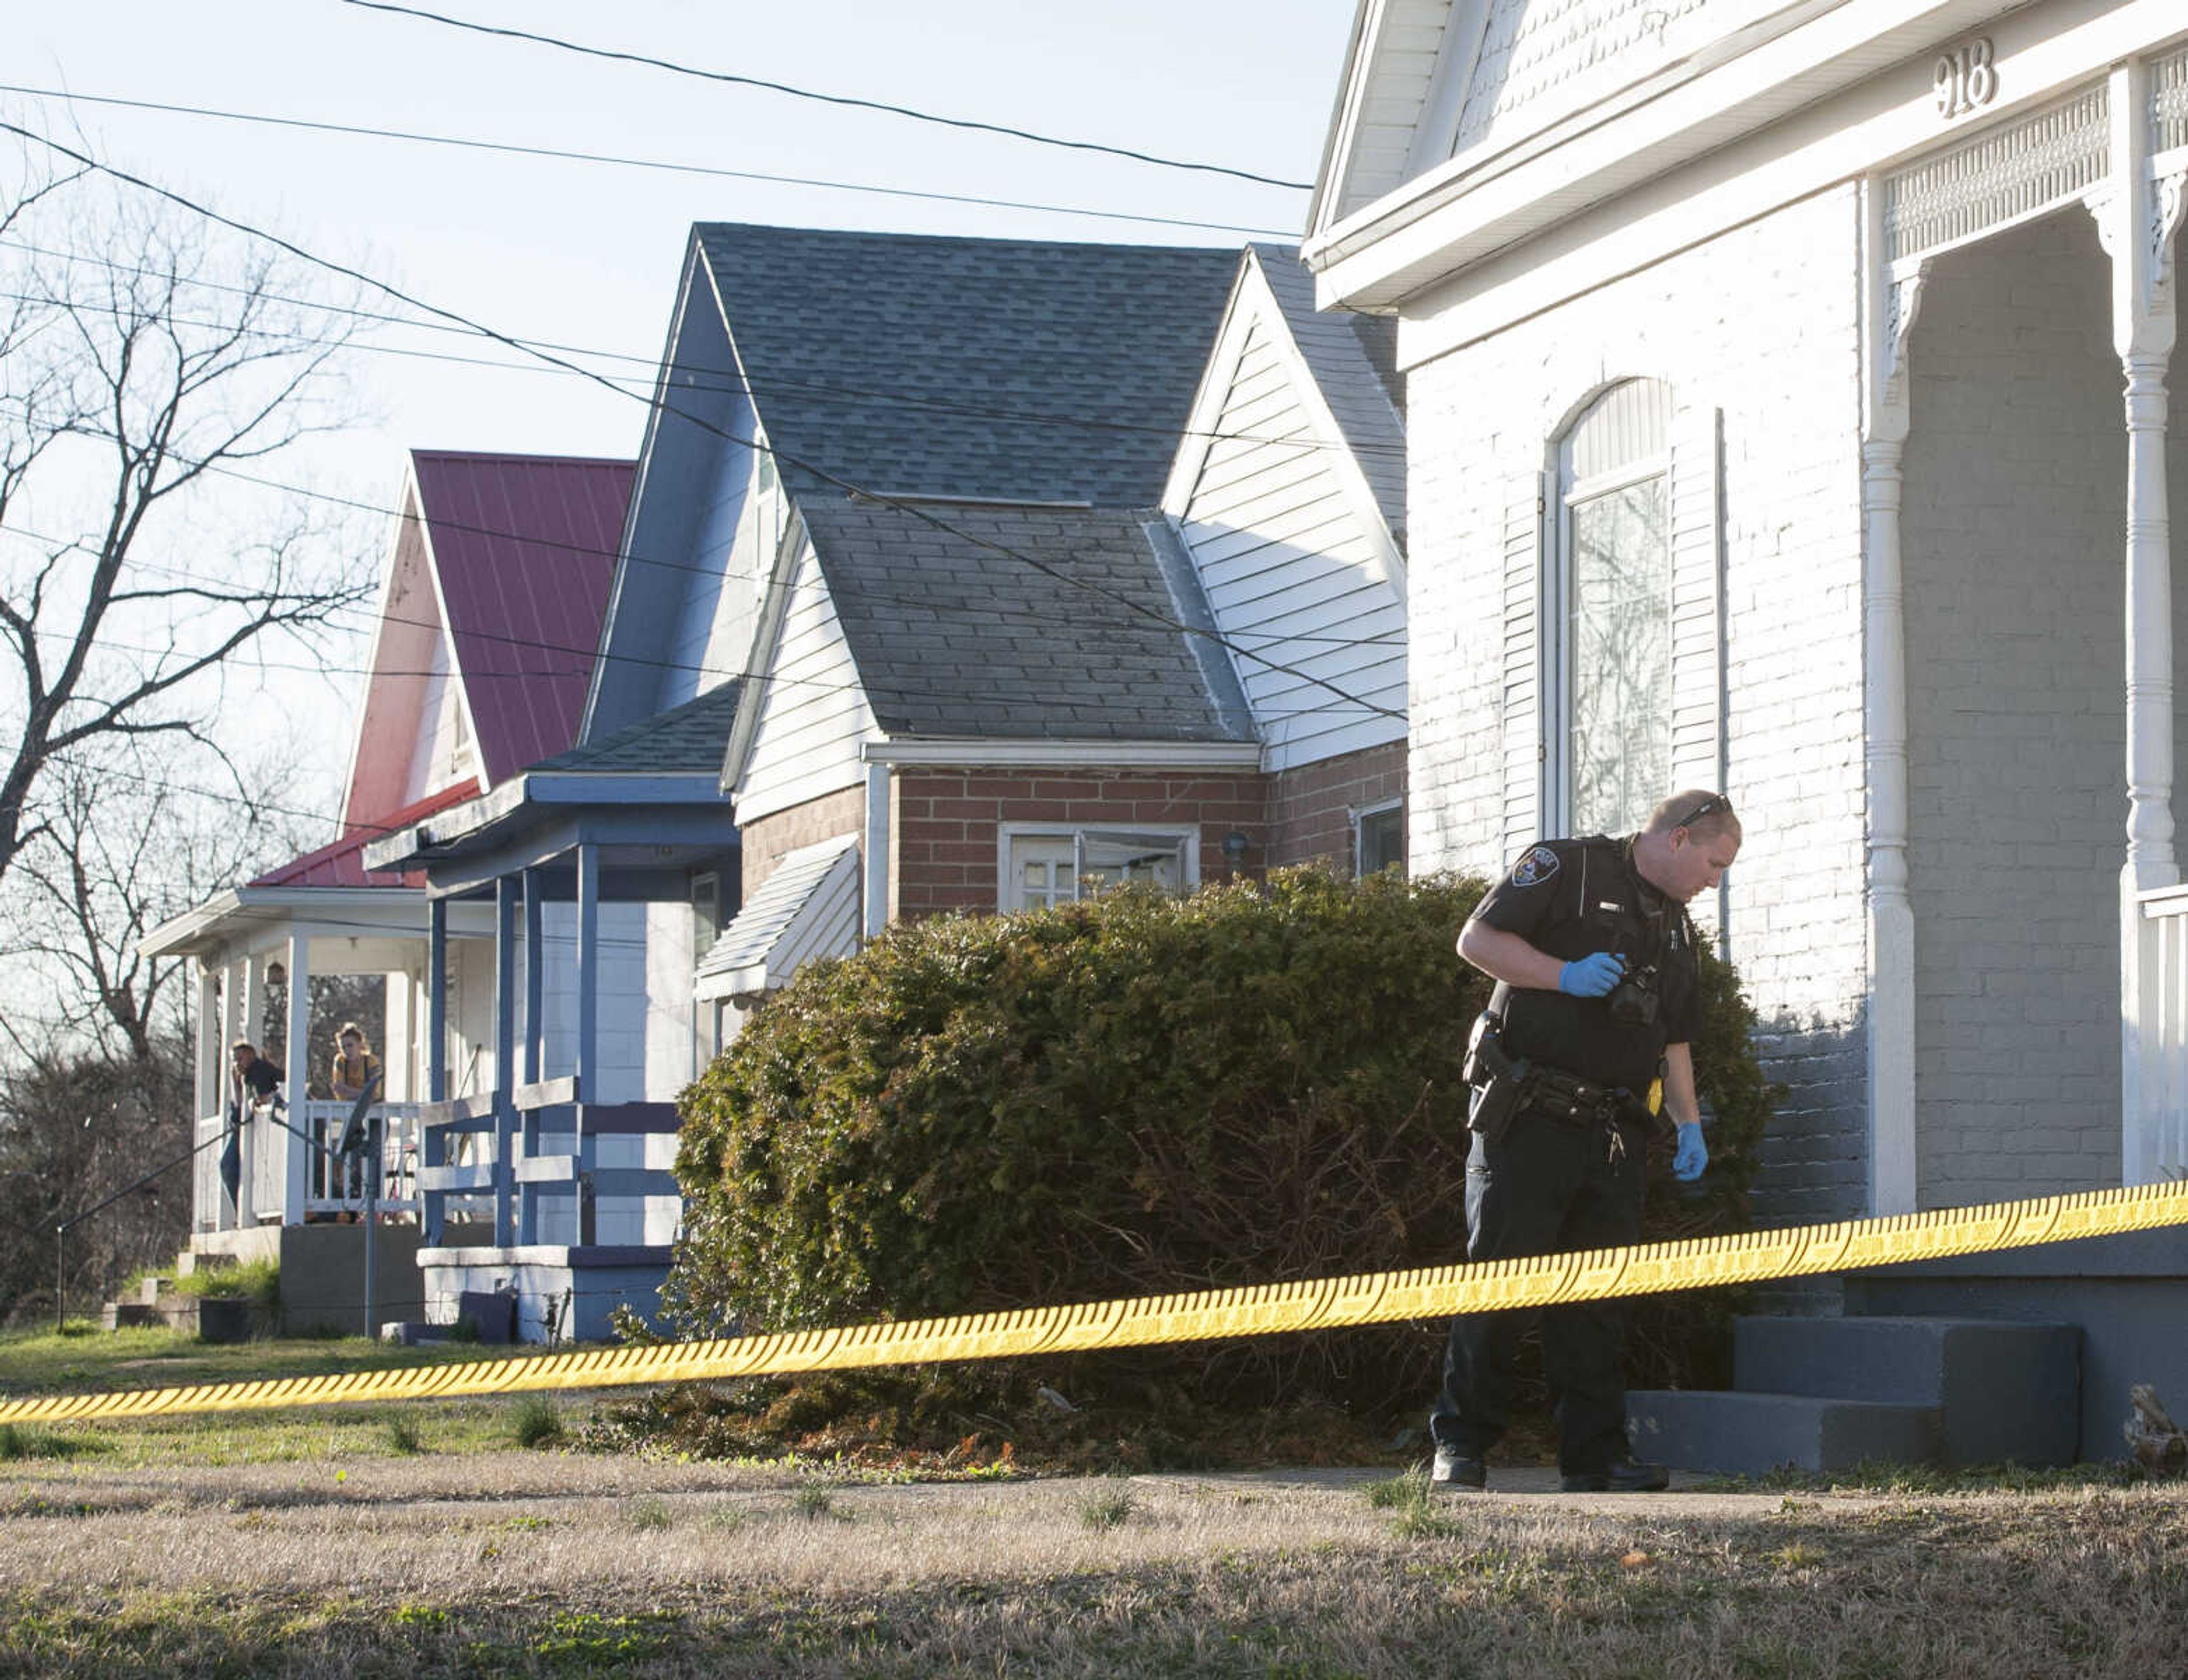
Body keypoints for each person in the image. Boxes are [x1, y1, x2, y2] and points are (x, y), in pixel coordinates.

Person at [1430, 790, 1741, 1494]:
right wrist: (1563, 975)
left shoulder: (1676, 925)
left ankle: (1595, 1456)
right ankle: (1461, 1447)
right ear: (1681, 838)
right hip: (1530, 1119)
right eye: (1714, 863)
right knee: (1498, 1288)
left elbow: (1676, 1039)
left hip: (1613, 1132)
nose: (1715, 880)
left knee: (1597, 1302)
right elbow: (1477, 941)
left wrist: (1689, 1123)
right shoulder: (1566, 867)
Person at [329, 1022, 381, 1103]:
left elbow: (375, 1094)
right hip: (347, 1109)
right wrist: (363, 1093)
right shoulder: (340, 1061)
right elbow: (339, 1091)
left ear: (360, 1044)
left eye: (350, 1045)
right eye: (343, 1047)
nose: (347, 1051)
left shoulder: (371, 1062)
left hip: (369, 1110)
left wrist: (348, 1090)